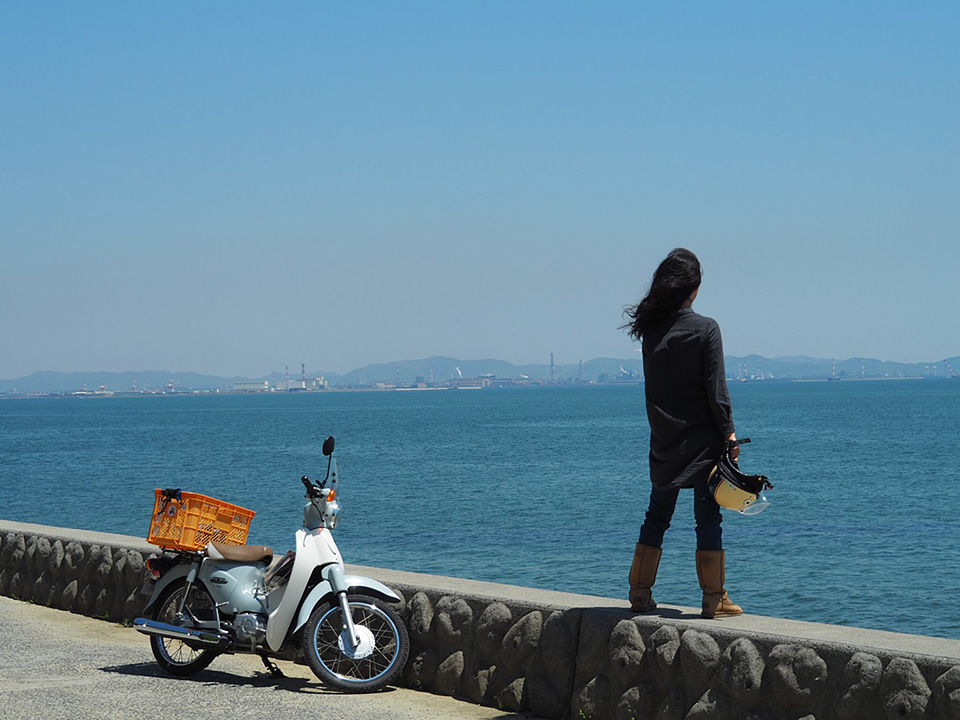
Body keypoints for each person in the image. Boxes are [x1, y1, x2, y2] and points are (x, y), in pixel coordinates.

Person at [621, 248, 743, 619]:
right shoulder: (706, 329)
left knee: (656, 515)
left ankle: (640, 593)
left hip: (664, 439)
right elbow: (716, 391)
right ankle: (714, 598)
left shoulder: (651, 333)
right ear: (692, 288)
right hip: (703, 442)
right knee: (708, 518)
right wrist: (730, 435)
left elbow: (655, 390)